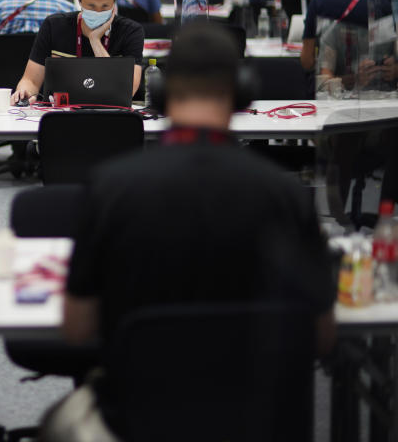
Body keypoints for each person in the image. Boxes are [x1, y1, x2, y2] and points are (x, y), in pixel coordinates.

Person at [60, 23, 335, 439]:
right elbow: (321, 335)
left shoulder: (110, 188)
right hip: (256, 420)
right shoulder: (287, 196)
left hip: (139, 418)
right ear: (241, 93)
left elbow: (77, 327)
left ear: (163, 93)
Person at [12, 0, 145, 103]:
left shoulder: (131, 31)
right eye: (91, 6)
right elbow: (31, 81)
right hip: (62, 112)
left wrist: (95, 41)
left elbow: (127, 90)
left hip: (111, 113)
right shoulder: (54, 26)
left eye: (105, 6)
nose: (98, 12)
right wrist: (24, 93)